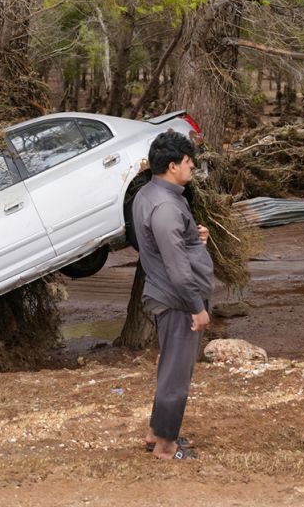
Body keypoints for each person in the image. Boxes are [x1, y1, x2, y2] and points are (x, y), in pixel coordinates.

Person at [131, 129, 213, 460]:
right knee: (177, 374)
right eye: (188, 161)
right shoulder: (165, 206)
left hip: (167, 294)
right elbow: (177, 267)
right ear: (173, 165)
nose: (192, 167)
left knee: (170, 369)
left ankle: (156, 433)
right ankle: (166, 447)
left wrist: (194, 237)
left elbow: (161, 242)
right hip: (178, 300)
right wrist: (197, 307)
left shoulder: (148, 195)